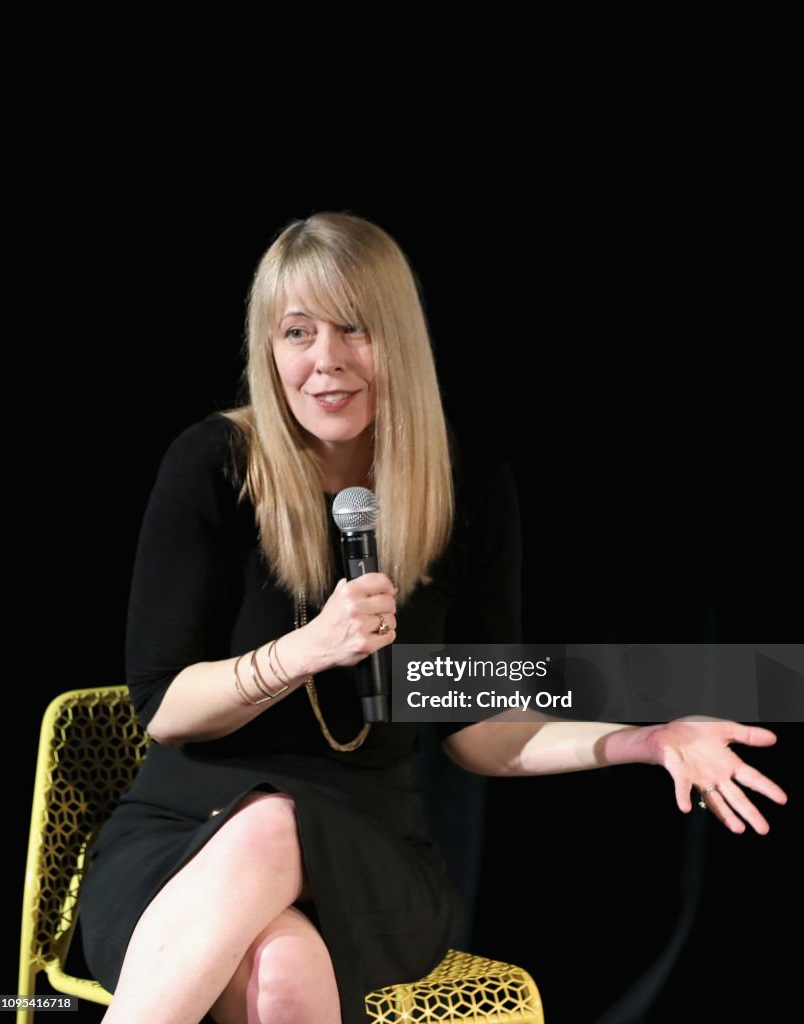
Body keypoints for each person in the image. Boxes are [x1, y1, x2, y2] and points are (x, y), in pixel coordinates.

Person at [79, 212, 787, 1024]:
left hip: (371, 855)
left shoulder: (467, 489)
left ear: (399, 340)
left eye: (356, 329)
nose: (325, 362)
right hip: (180, 836)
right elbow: (164, 711)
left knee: (276, 833)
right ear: (267, 349)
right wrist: (305, 650)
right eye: (297, 332)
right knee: (282, 968)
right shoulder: (213, 466)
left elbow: (482, 727)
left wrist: (646, 740)